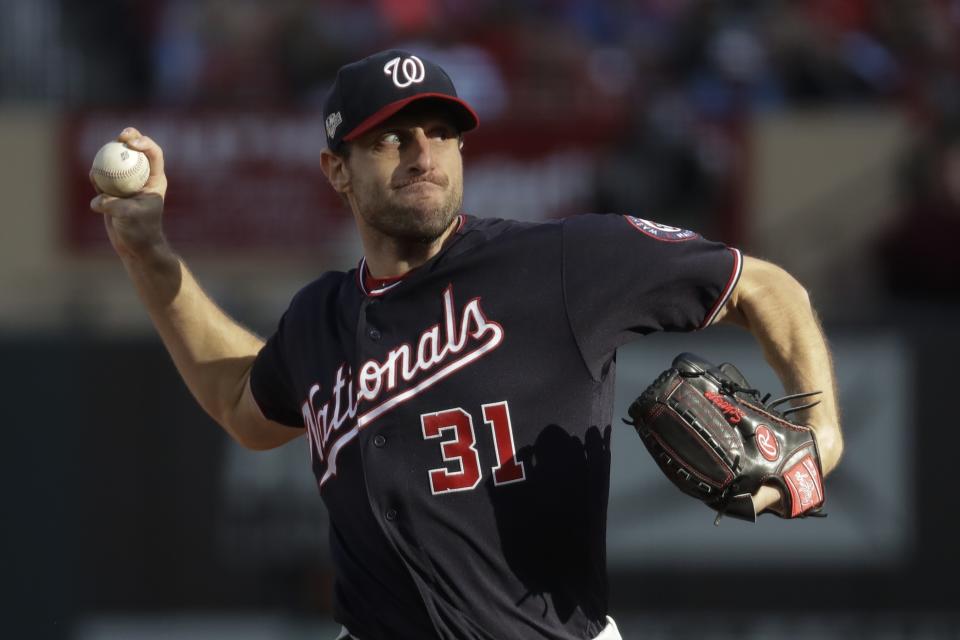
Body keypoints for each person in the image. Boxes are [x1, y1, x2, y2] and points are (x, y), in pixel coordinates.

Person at [90, 49, 843, 640]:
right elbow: (238, 401)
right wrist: (151, 260)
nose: (424, 155)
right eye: (390, 137)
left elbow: (766, 288)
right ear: (336, 172)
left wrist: (822, 441)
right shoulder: (317, 318)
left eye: (442, 132)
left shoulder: (561, 262)